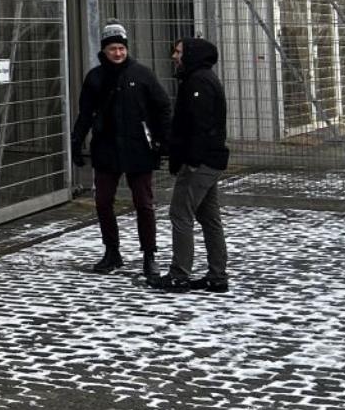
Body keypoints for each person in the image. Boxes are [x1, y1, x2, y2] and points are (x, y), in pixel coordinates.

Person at [71, 22, 171, 280]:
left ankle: (149, 255)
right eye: (112, 48)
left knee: (144, 204)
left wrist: (162, 141)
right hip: (106, 147)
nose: (118, 53)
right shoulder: (95, 77)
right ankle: (112, 251)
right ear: (104, 50)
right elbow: (85, 113)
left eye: (121, 48)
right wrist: (77, 140)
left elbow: (162, 107)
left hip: (139, 147)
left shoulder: (142, 74)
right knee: (103, 202)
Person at [151, 36, 230, 294]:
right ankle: (217, 276)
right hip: (209, 160)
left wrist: (191, 161)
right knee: (209, 217)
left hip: (200, 162)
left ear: (192, 54)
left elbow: (199, 126)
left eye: (178, 51)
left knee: (180, 214)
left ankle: (179, 274)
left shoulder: (198, 82)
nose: (174, 56)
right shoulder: (201, 79)